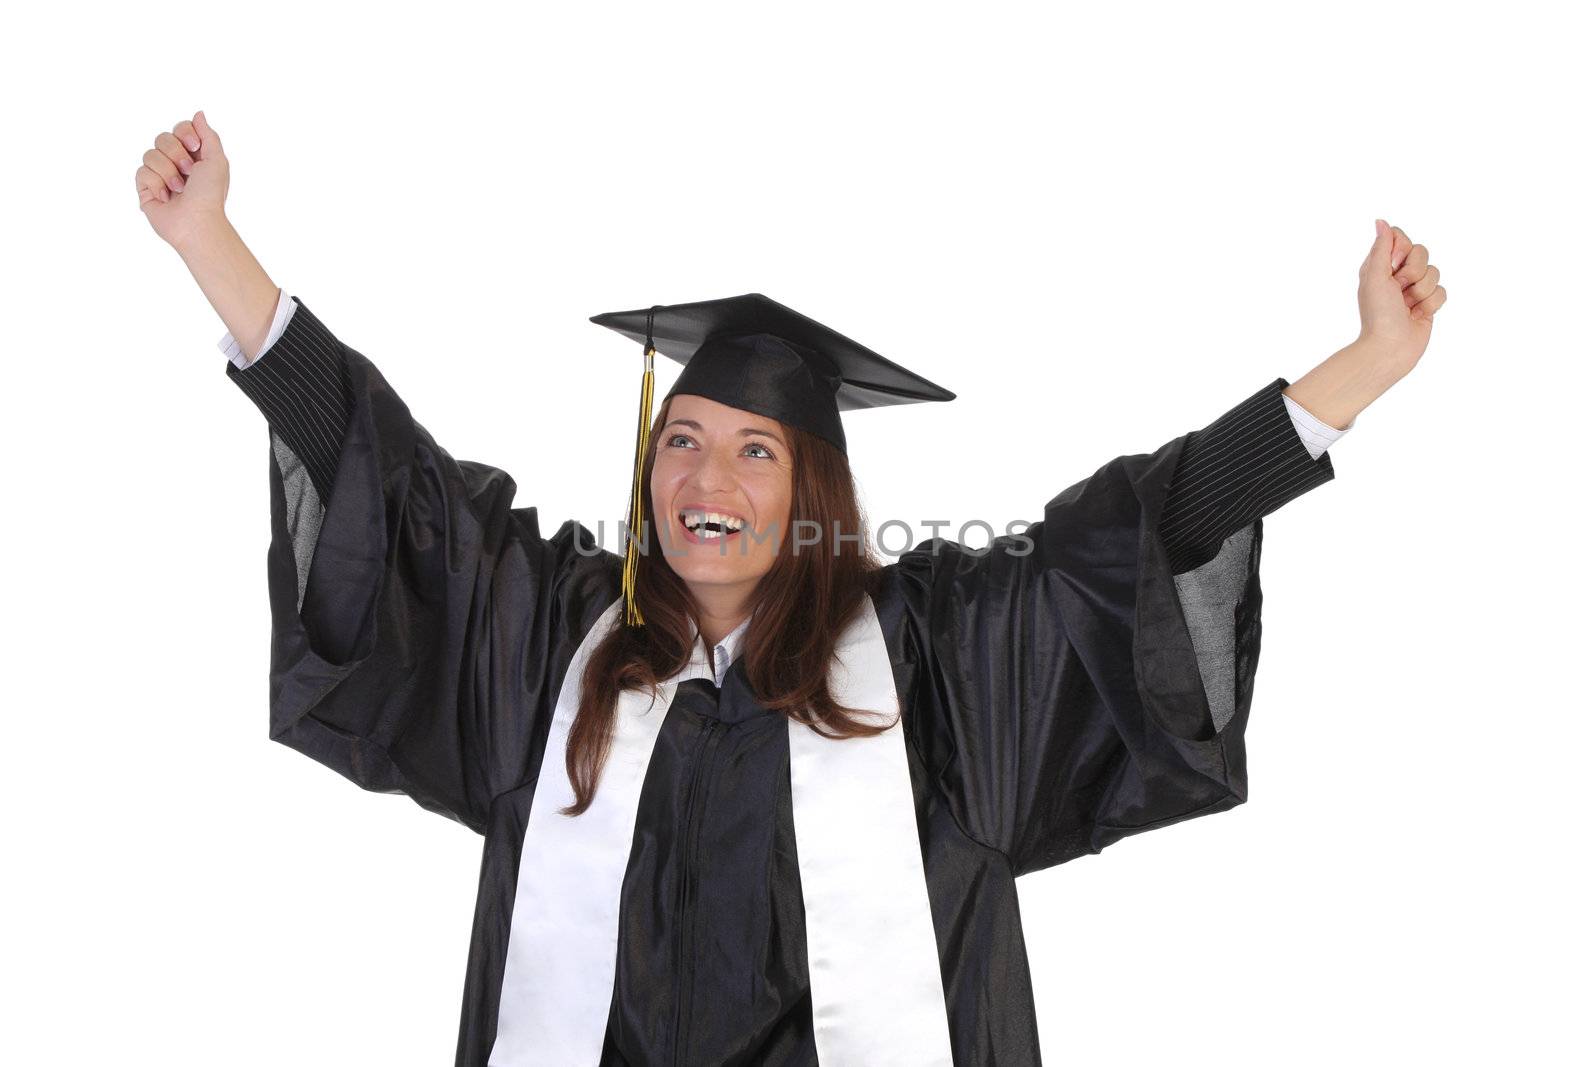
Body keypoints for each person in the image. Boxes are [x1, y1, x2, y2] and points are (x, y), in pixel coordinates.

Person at [138, 111, 1446, 1067]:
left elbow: (1135, 542)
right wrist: (212, 244)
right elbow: (384, 481)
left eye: (758, 448)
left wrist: (1363, 370)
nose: (712, 472)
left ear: (808, 486)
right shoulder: (543, 638)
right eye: (685, 439)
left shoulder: (937, 661)